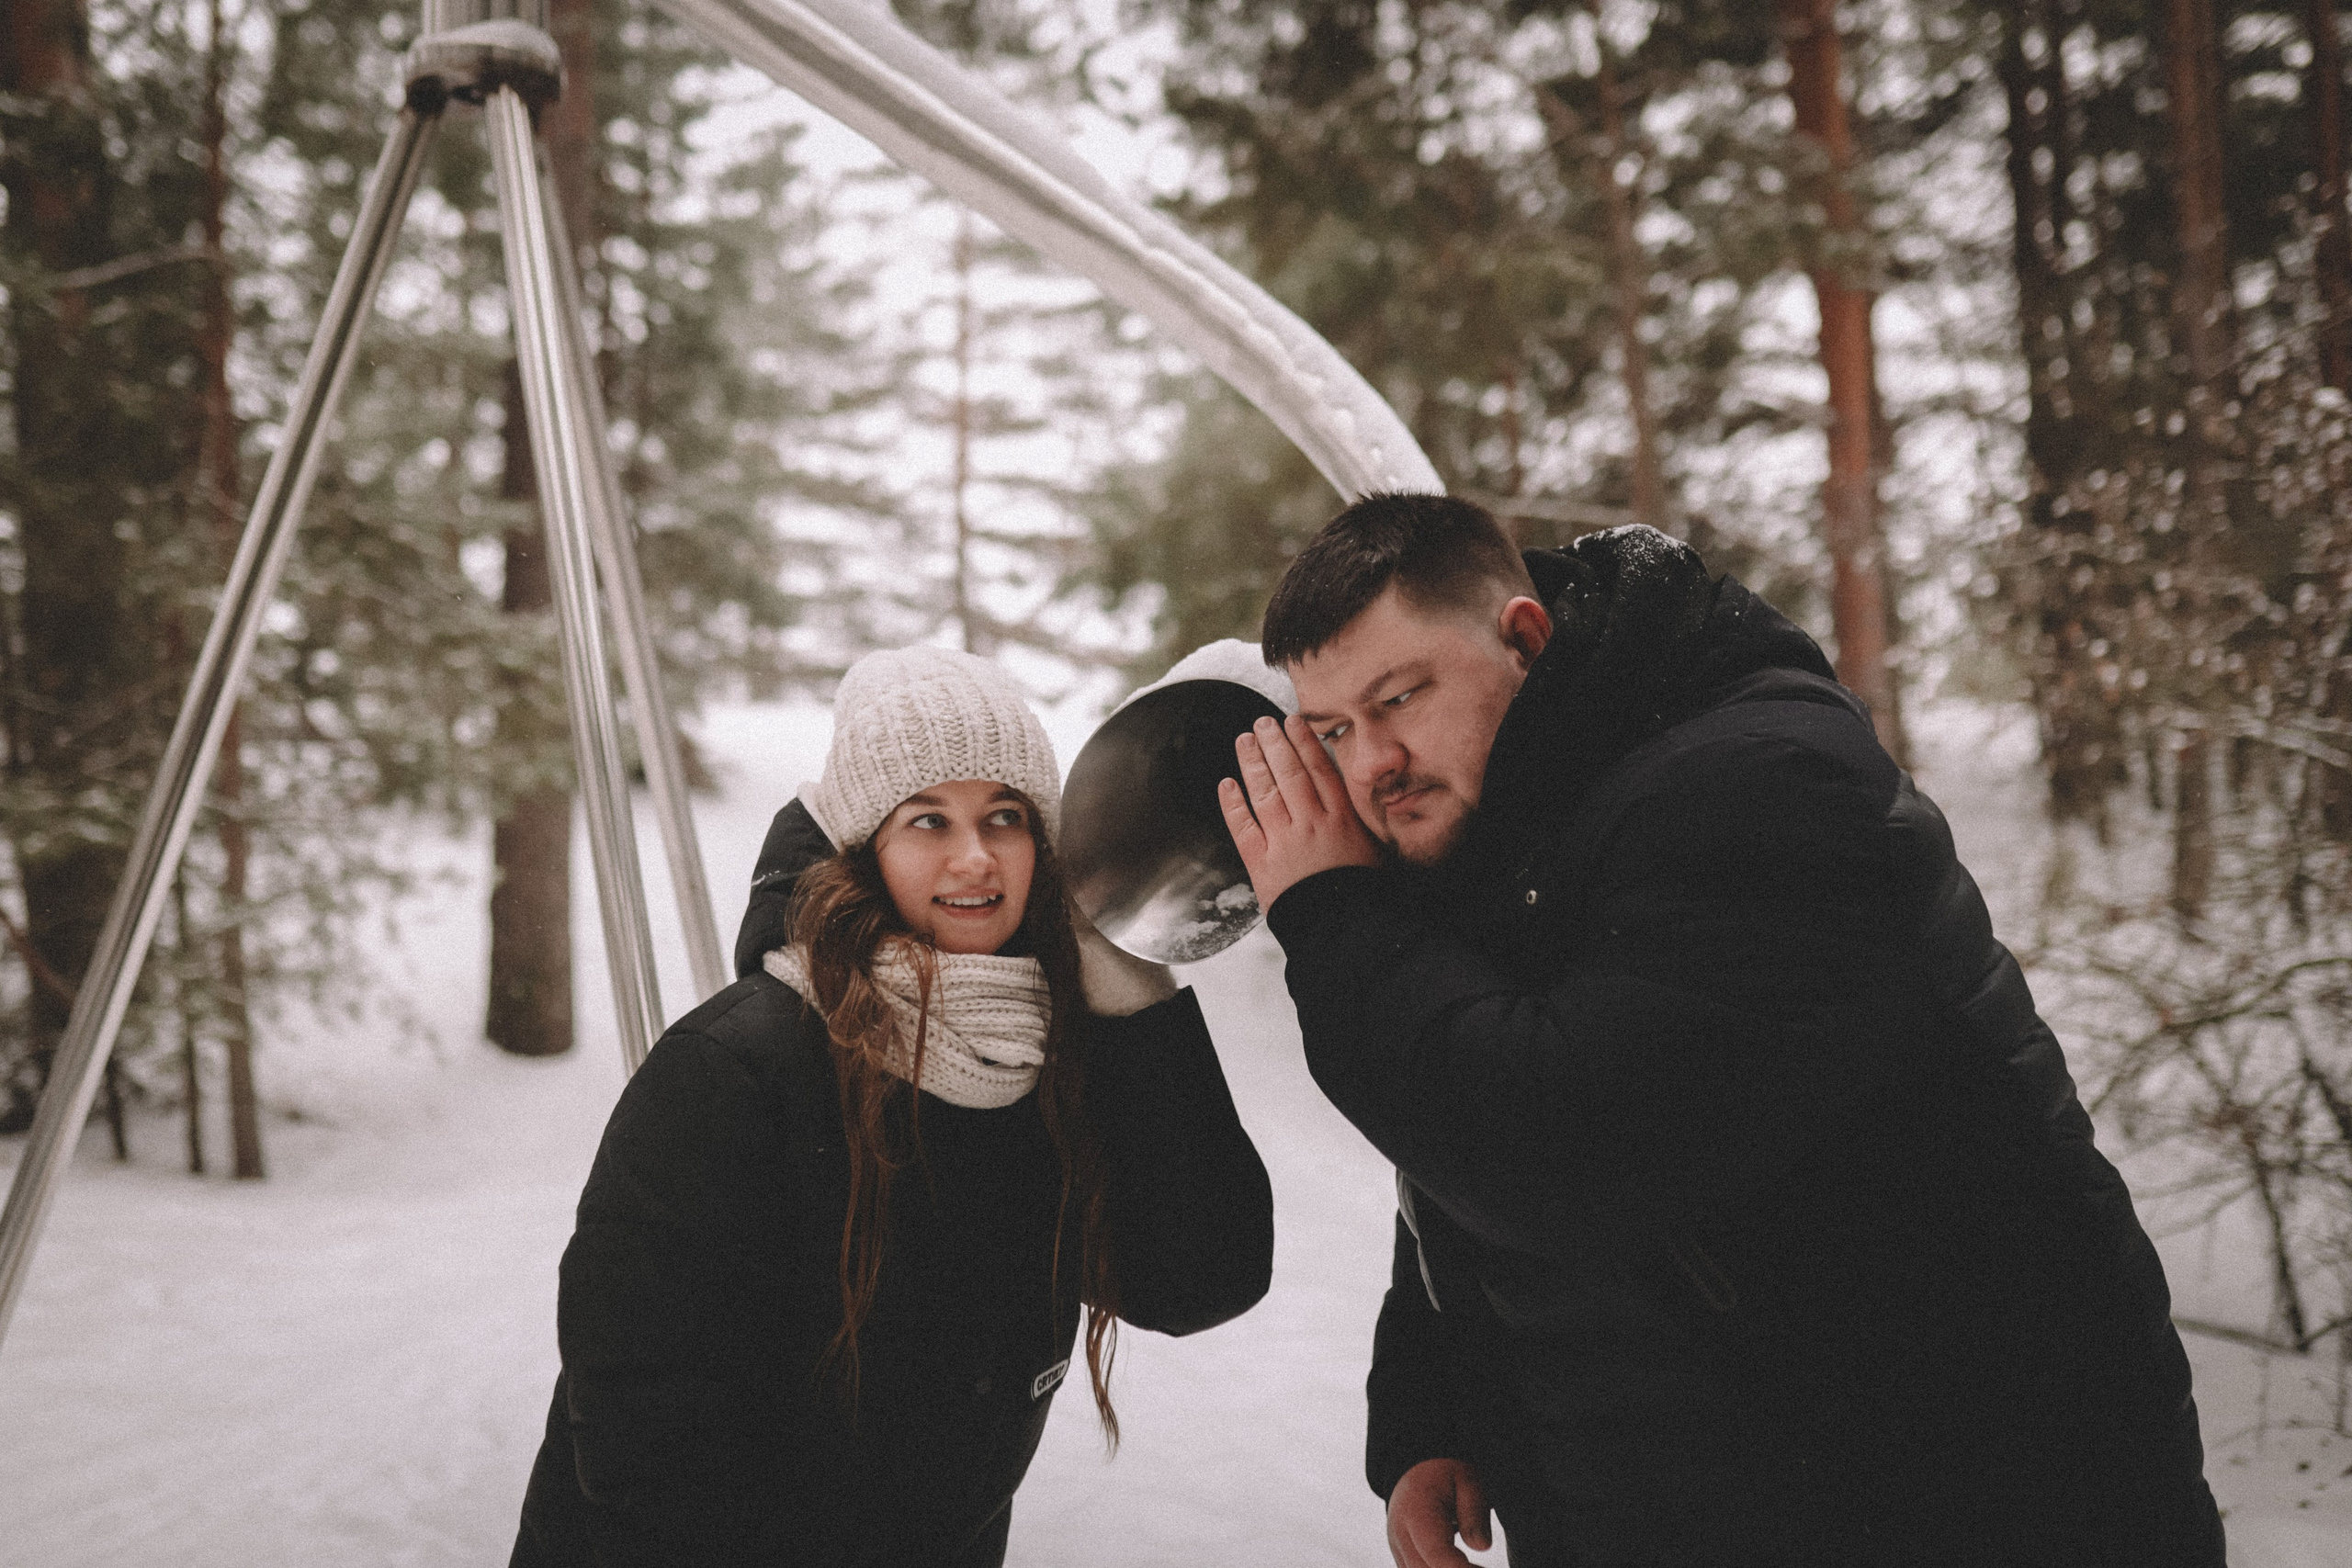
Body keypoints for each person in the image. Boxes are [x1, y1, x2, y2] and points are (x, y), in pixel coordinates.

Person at [1217, 495, 2223, 1567]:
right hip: (1697, 1496)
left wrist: (1333, 918)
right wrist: (1441, 1414)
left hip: (1973, 1501)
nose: (1372, 763)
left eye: (1399, 698)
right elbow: (1467, 1148)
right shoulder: (1519, 813)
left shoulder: (1756, 787)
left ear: (1524, 635)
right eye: (1332, 730)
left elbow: (1564, 1149)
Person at [512, 646, 1275, 1568]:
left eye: (1006, 817)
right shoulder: (732, 1070)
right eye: (928, 820)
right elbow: (649, 1450)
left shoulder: (1046, 1056)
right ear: (864, 847)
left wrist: (1127, 988)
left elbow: (1199, 1277)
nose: (975, 857)